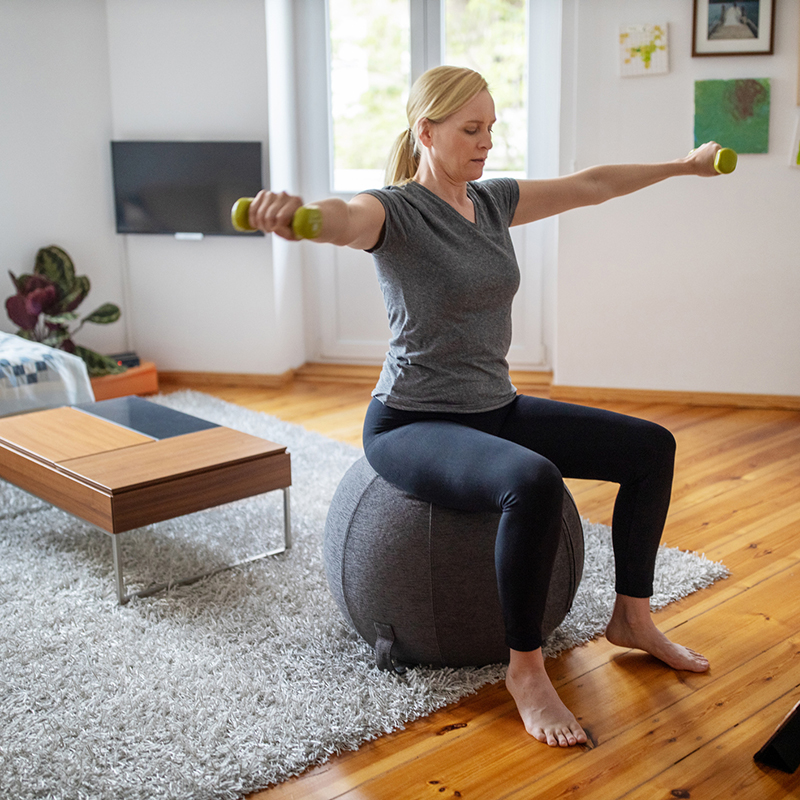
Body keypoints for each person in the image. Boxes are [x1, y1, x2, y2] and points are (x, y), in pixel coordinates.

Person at [247, 65, 722, 749]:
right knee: (531, 480)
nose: (486, 142)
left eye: (491, 127)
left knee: (651, 448)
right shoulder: (396, 212)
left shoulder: (491, 202)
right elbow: (342, 219)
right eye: (471, 130)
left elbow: (591, 185)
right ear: (426, 133)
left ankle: (633, 618)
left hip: (493, 406)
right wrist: (298, 219)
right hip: (411, 422)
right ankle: (524, 671)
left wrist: (681, 166)